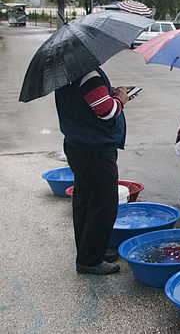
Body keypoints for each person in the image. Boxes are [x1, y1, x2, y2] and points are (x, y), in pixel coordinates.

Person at [55, 67, 137, 275]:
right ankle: (89, 260)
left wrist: (112, 91)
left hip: (79, 145)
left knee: (85, 199)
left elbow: (90, 99)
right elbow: (106, 111)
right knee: (103, 204)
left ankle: (89, 251)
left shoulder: (70, 73)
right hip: (95, 149)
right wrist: (120, 99)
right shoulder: (87, 74)